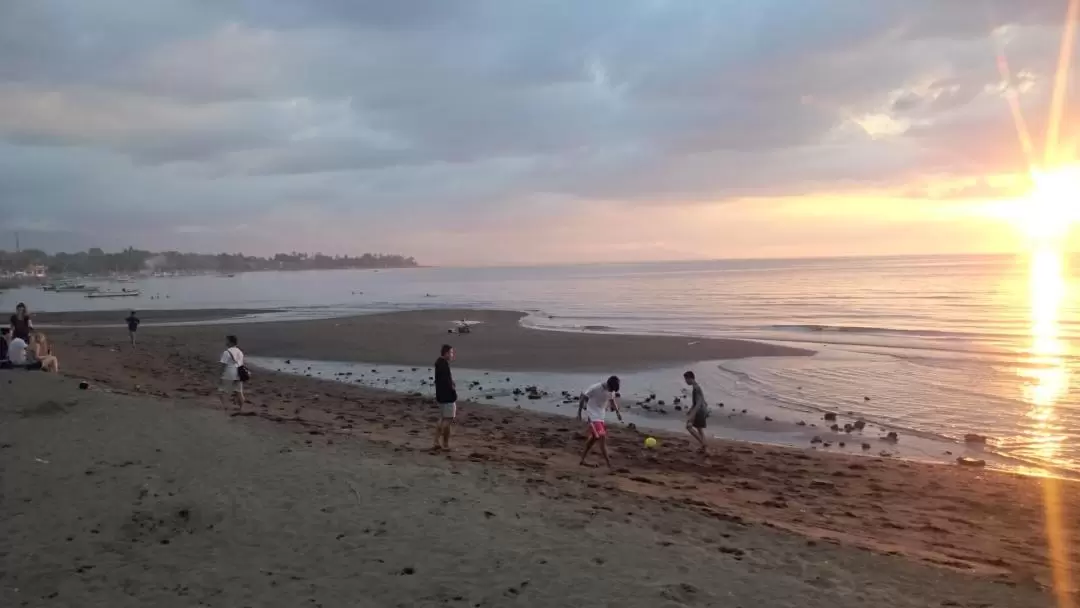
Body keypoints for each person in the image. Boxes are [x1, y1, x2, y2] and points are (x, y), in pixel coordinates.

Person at [577, 376, 623, 469]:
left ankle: (582, 460)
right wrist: (579, 413)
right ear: (608, 384)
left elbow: (611, 400)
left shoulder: (611, 390)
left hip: (601, 416)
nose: (611, 391)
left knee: (594, 438)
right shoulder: (595, 388)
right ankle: (609, 465)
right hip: (592, 415)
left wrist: (617, 412)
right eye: (611, 389)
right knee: (602, 437)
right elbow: (583, 397)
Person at [432, 344, 457, 450]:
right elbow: (446, 383)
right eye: (451, 353)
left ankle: (437, 441)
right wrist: (453, 393)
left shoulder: (439, 363)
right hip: (446, 397)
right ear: (446, 353)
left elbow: (442, 381)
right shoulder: (443, 364)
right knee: (448, 419)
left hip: (441, 396)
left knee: (442, 419)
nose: (452, 355)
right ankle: (444, 443)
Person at [218, 335, 245, 411]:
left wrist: (220, 374)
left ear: (230, 342)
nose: (225, 342)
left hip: (229, 373)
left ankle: (225, 406)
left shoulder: (226, 352)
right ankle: (241, 407)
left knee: (222, 391)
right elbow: (241, 363)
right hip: (238, 373)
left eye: (227, 340)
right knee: (239, 392)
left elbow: (223, 365)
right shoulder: (240, 352)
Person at [683, 371, 708, 453]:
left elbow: (698, 403)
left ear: (690, 378)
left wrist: (692, 415)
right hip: (702, 410)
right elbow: (701, 401)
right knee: (699, 429)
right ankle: (704, 448)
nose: (685, 381)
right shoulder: (696, 387)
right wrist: (690, 410)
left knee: (688, 427)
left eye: (686, 379)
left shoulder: (696, 388)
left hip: (699, 411)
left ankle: (703, 443)